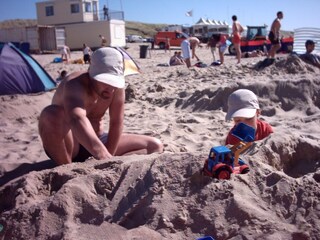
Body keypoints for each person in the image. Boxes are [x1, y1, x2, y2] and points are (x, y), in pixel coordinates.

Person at [38, 47, 164, 165]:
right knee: (51, 114)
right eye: (105, 81)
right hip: (69, 144)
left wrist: (108, 157)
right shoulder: (74, 84)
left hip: (98, 140)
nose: (110, 89)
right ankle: (65, 169)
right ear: (91, 73)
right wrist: (102, 155)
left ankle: (106, 164)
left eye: (114, 82)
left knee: (155, 146)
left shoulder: (116, 89)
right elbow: (76, 118)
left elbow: (116, 122)